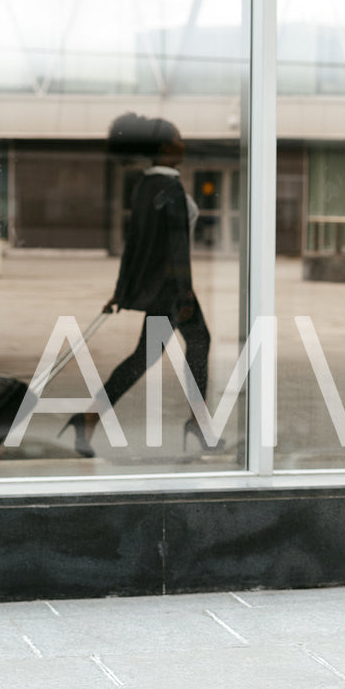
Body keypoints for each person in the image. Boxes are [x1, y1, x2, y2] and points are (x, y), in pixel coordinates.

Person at [61, 113, 215, 457]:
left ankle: (90, 418)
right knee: (182, 347)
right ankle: (197, 423)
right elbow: (175, 247)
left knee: (177, 348)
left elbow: (135, 243)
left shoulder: (145, 185)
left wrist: (122, 288)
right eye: (178, 139)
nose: (183, 144)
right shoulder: (170, 187)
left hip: (162, 288)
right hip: (172, 289)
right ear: (164, 147)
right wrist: (185, 292)